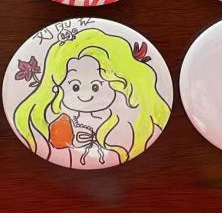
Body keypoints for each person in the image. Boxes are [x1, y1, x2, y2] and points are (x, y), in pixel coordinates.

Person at [12, 28, 170, 167]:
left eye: (96, 86)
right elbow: (54, 143)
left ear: (118, 83)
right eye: (75, 87)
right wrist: (72, 142)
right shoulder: (63, 121)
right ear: (57, 86)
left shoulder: (125, 117)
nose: (86, 95)